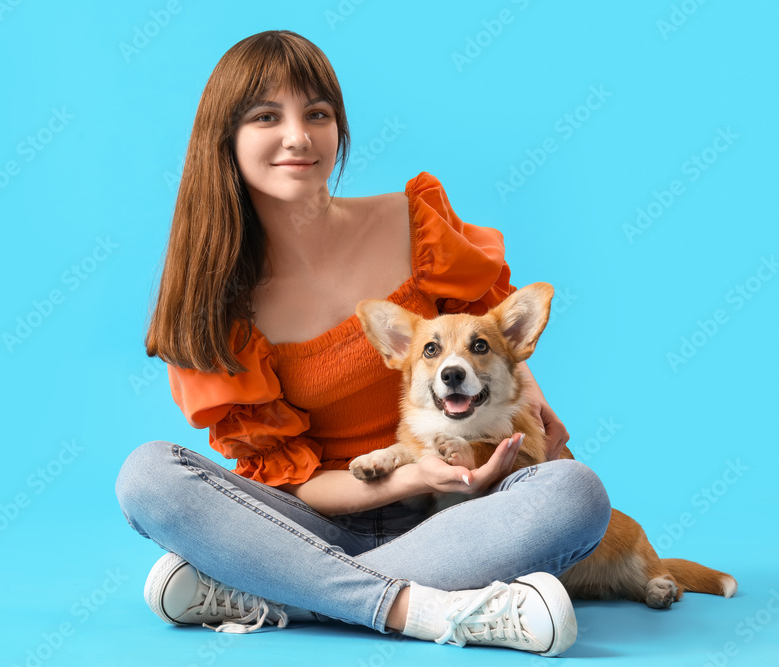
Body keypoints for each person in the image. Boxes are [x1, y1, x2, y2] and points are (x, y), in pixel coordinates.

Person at [116, 29, 611, 657]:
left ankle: (275, 593)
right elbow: (290, 482)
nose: (298, 137)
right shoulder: (216, 309)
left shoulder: (413, 221)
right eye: (267, 116)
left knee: (576, 493)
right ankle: (427, 609)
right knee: (148, 477)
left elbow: (490, 325)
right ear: (226, 140)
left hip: (459, 513)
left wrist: (527, 405)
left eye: (317, 114)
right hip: (309, 526)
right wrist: (408, 475)